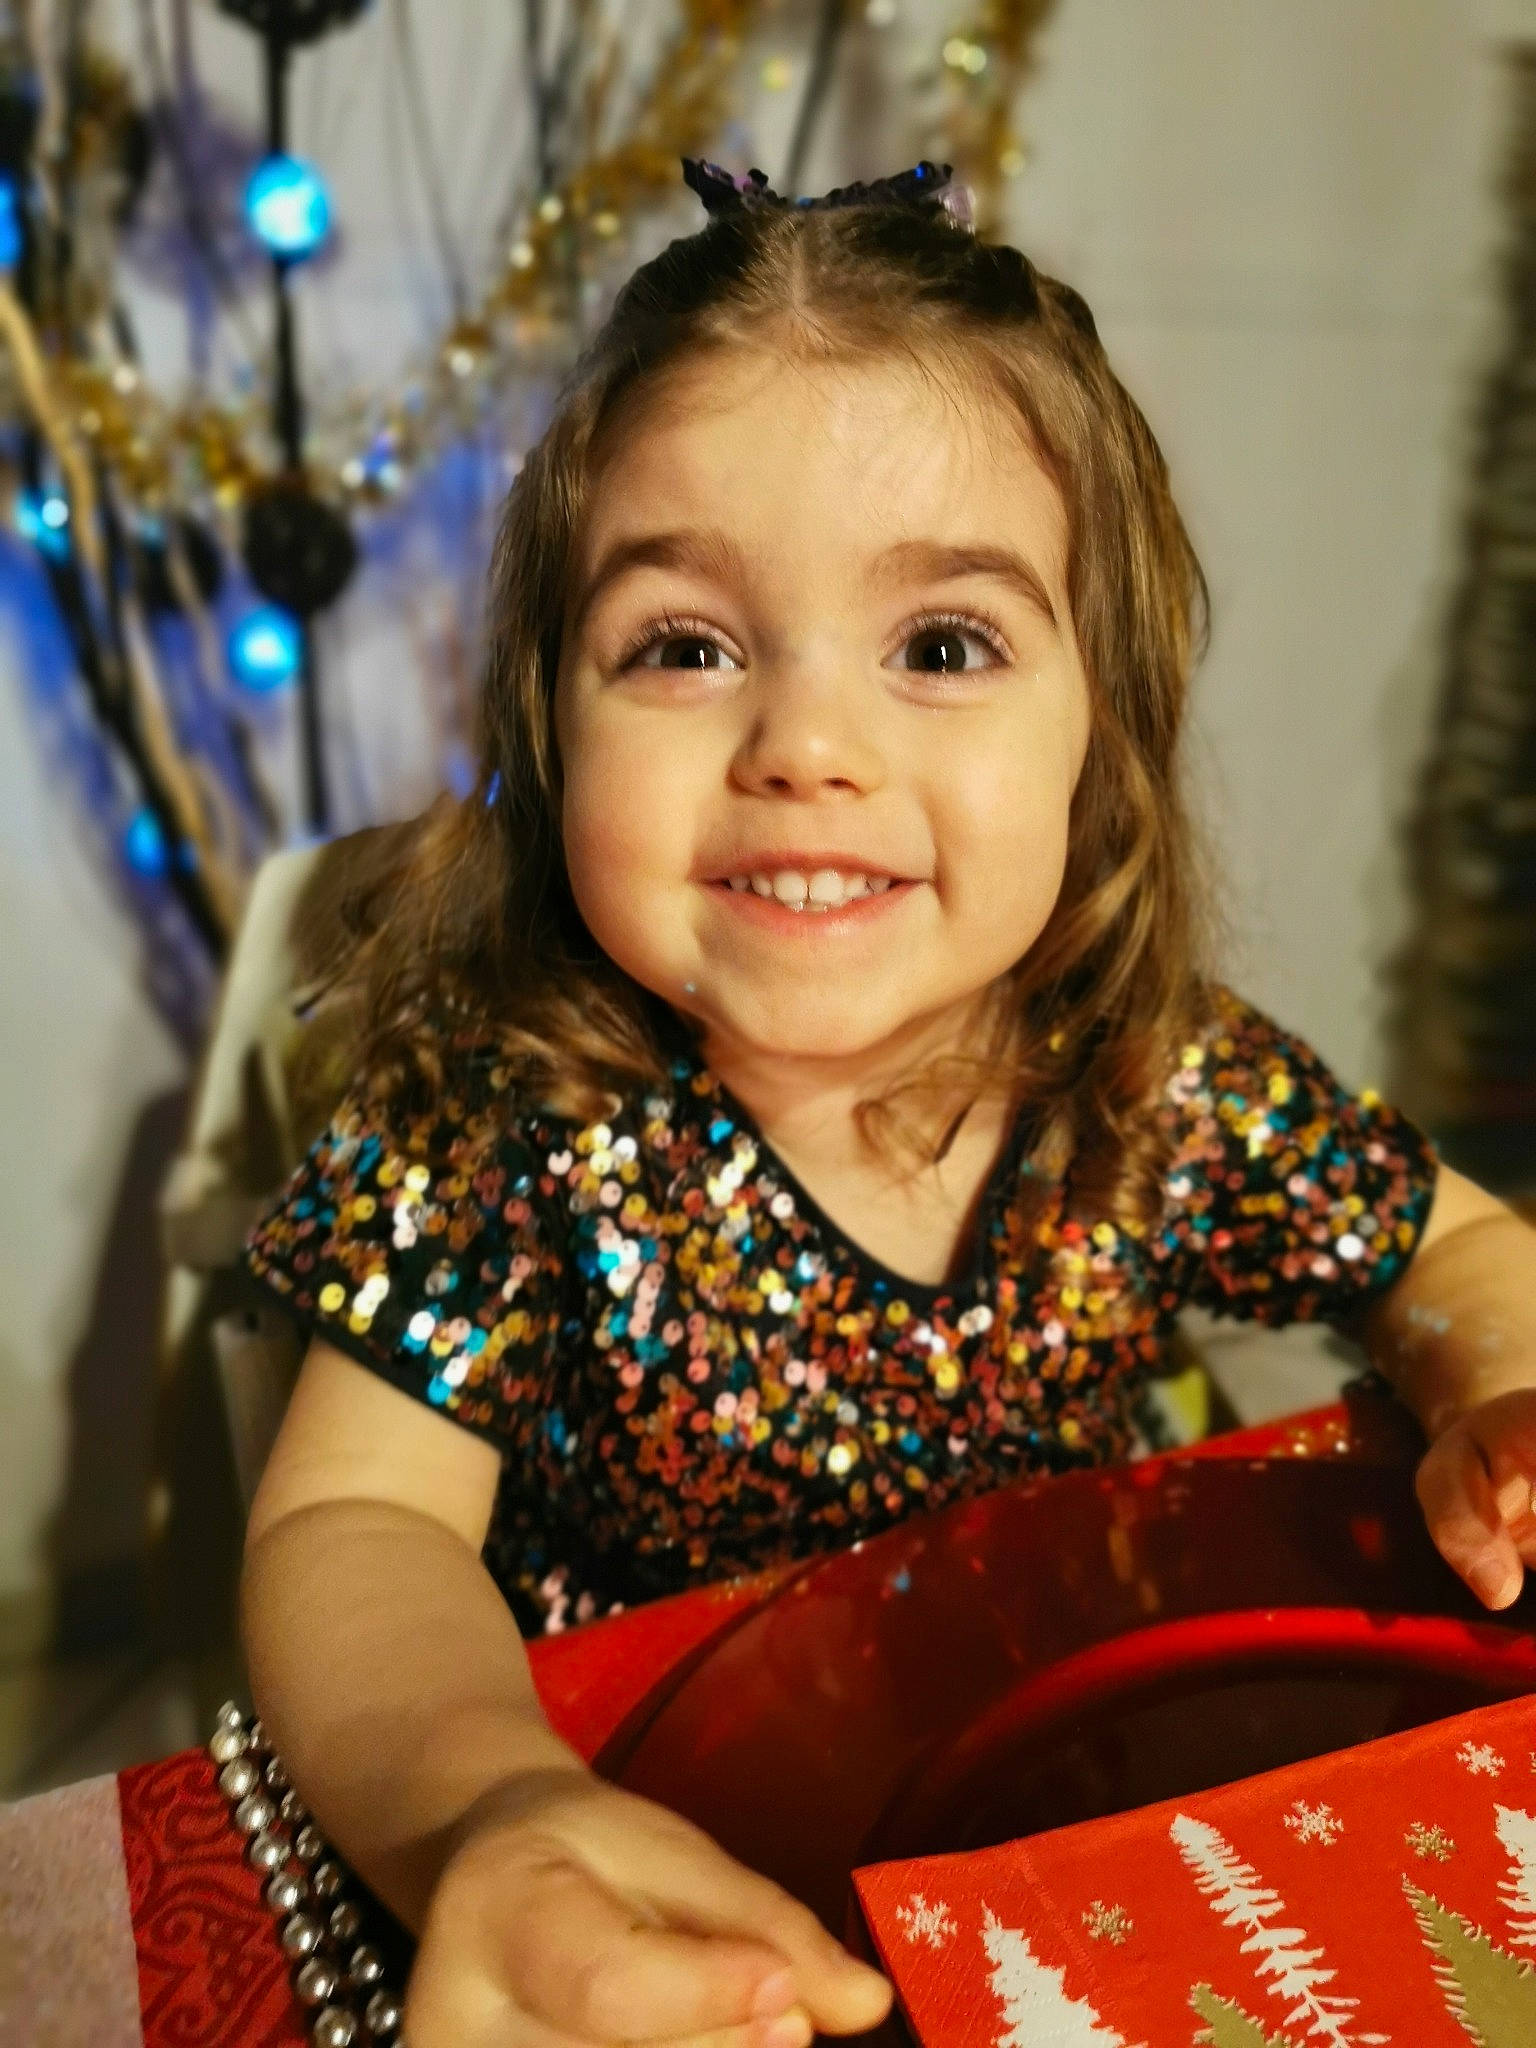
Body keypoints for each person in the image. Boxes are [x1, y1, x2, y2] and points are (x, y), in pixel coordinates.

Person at [238, 157, 1536, 2048]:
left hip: (1065, 1820)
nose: (807, 749)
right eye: (685, 647)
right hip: (652, 1865)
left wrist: (1490, 1382)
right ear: (544, 717)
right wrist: (485, 1808)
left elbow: (1447, 1249)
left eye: (943, 647)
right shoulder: (498, 1113)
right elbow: (351, 1533)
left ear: (1107, 731)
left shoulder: (1148, 1070)